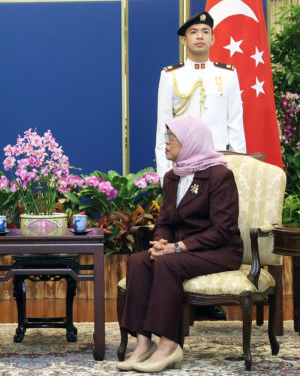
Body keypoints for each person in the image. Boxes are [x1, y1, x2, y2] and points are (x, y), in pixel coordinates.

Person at [118, 115, 243, 373]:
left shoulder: (219, 175)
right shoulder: (172, 178)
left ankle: (169, 345)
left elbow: (223, 230)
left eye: (170, 138)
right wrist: (159, 243)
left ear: (190, 141)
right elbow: (164, 221)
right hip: (179, 250)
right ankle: (143, 343)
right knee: (139, 261)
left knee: (168, 263)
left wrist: (177, 248)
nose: (165, 144)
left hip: (219, 250)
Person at [155, 11, 245, 182]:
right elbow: (163, 127)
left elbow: (235, 126)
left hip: (220, 161)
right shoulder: (170, 75)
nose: (200, 36)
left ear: (212, 39)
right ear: (184, 40)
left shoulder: (228, 74)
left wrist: (238, 167)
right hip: (183, 163)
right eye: (193, 32)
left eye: (205, 31)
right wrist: (164, 173)